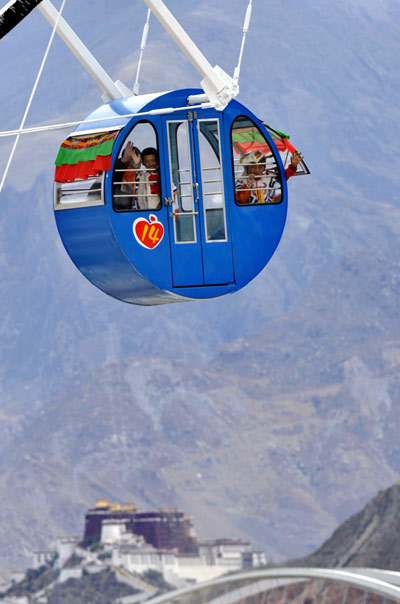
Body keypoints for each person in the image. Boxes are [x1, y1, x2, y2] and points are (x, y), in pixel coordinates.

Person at [235, 149, 304, 205]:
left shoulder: (269, 176)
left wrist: (293, 166)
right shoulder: (241, 181)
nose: (256, 170)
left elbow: (284, 176)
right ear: (248, 168)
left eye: (260, 167)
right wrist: (248, 184)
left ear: (264, 168)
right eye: (253, 167)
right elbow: (240, 200)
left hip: (266, 211)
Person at [114, 141, 142, 210]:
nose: (132, 164)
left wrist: (136, 167)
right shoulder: (117, 175)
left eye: (136, 161)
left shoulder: (142, 176)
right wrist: (123, 160)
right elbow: (114, 171)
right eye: (130, 161)